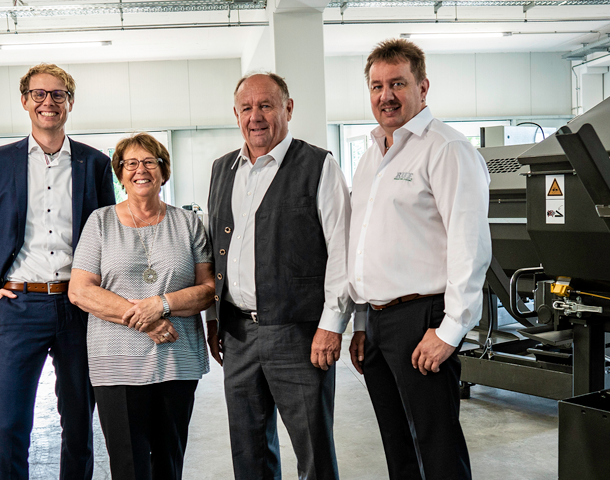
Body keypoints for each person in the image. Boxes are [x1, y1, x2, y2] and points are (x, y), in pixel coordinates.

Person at [0, 63, 115, 480]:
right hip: (17, 306)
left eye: (58, 94)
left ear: (70, 103)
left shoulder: (95, 163)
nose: (48, 102)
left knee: (79, 424)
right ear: (25, 101)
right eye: (39, 94)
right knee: (10, 425)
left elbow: (109, 236)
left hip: (78, 307)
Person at [346, 38, 492, 480]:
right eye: (376, 86)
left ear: (423, 87)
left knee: (437, 446)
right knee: (398, 448)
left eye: (397, 84)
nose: (386, 95)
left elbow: (470, 244)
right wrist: (360, 322)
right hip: (376, 323)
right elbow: (362, 245)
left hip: (422, 319)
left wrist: (450, 331)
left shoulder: (446, 148)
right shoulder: (371, 157)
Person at [204, 73, 352, 480]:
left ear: (288, 108)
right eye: (246, 108)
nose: (255, 117)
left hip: (299, 334)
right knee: (248, 451)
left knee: (313, 449)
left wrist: (332, 325)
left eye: (266, 105)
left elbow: (342, 253)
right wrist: (214, 319)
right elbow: (215, 251)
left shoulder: (318, 166)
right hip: (237, 334)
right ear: (236, 114)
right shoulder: (222, 169)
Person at [68, 133, 214, 480]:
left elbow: (209, 290)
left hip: (177, 361)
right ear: (120, 174)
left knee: (169, 463)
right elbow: (80, 291)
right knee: (128, 467)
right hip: (116, 364)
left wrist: (161, 304)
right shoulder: (100, 222)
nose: (141, 170)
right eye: (131, 163)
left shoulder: (188, 223)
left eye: (150, 162)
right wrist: (145, 320)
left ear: (164, 171)